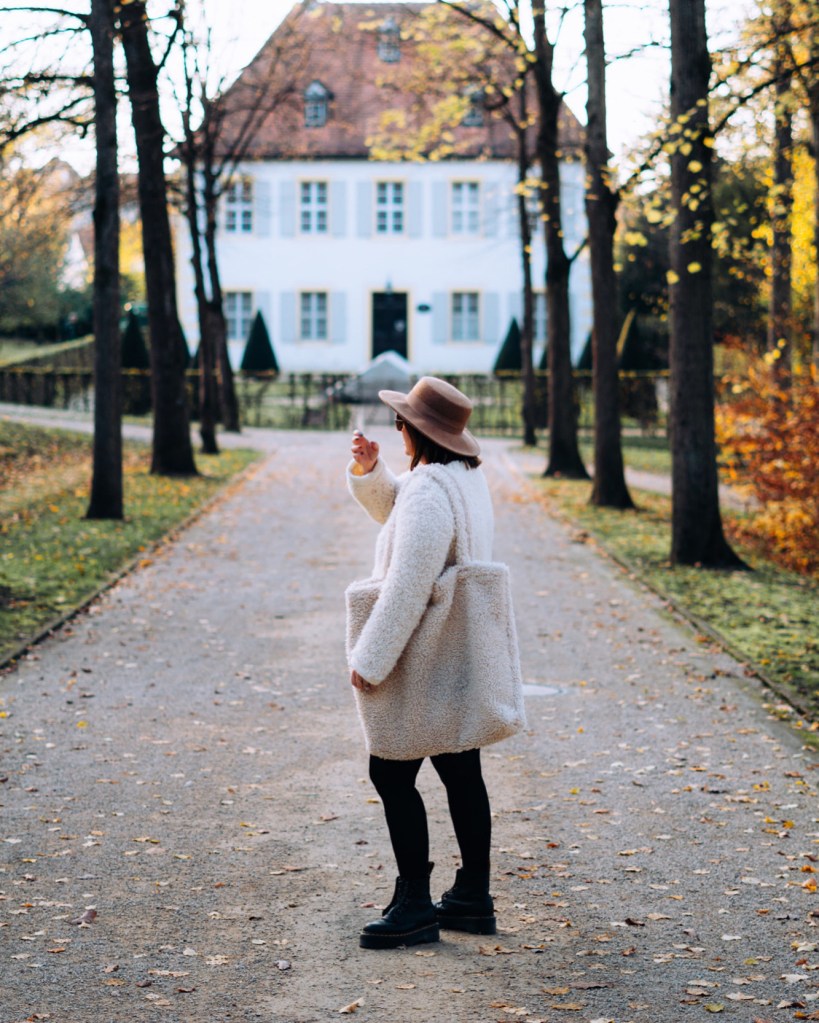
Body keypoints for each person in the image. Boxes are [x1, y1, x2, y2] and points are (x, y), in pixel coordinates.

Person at [345, 376, 523, 951]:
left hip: (427, 654)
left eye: (400, 424)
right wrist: (373, 473)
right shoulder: (461, 478)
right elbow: (405, 515)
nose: (396, 431)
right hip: (458, 653)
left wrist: (371, 659)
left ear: (418, 431)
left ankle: (416, 906)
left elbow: (408, 583)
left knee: (391, 772)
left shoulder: (428, 490)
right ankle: (472, 896)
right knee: (460, 767)